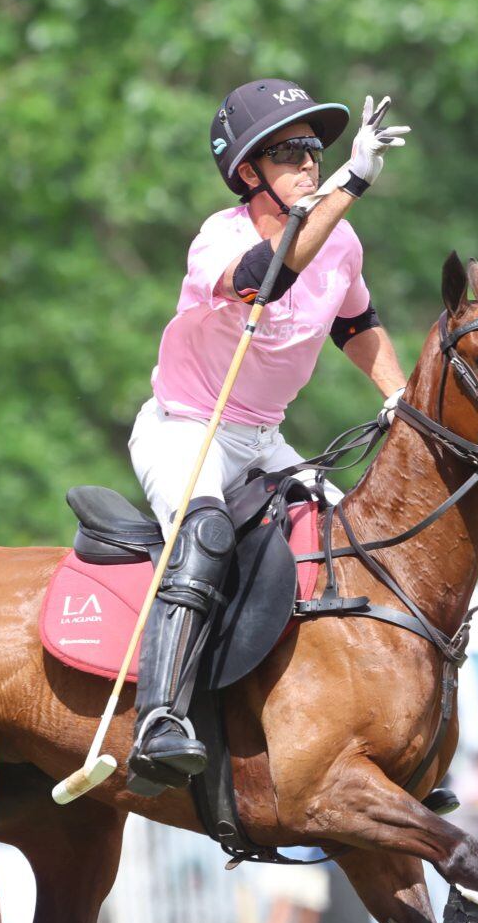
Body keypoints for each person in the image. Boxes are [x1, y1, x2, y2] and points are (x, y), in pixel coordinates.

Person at [122, 81, 411, 795]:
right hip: (187, 427)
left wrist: (398, 397)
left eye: (317, 148)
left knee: (359, 546)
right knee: (207, 532)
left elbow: (357, 325)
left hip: (262, 438)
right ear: (249, 172)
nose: (311, 161)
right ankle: (159, 717)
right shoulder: (220, 237)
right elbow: (266, 278)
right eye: (289, 151)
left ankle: (376, 729)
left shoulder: (341, 241)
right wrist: (356, 176)